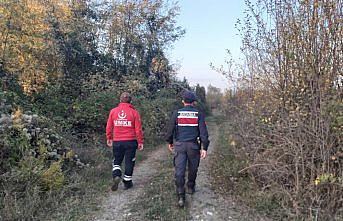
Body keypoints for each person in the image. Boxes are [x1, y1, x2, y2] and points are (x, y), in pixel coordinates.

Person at [165, 90, 210, 207]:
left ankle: (181, 195)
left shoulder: (177, 113)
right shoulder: (198, 114)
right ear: (194, 102)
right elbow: (203, 133)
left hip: (180, 145)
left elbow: (170, 130)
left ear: (183, 101)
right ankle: (190, 186)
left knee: (179, 170)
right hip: (193, 146)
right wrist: (204, 147)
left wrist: (170, 142)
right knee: (193, 168)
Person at [106, 92, 144, 191]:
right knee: (129, 161)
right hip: (131, 141)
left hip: (117, 141)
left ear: (120, 100)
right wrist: (140, 142)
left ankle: (116, 175)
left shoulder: (113, 111)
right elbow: (138, 129)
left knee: (117, 160)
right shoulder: (134, 112)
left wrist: (109, 138)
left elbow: (109, 126)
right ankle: (127, 182)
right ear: (130, 101)